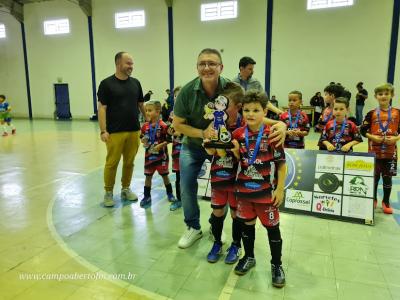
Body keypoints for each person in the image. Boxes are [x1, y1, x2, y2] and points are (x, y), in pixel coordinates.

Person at [173, 48, 287, 249]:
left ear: (221, 67)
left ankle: (218, 226)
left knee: (227, 184)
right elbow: (178, 125)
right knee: (186, 184)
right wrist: (203, 134)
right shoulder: (186, 92)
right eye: (202, 64)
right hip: (193, 144)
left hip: (226, 144)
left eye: (212, 63)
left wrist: (279, 124)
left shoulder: (232, 88)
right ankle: (193, 227)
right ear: (197, 67)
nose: (207, 67)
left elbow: (251, 113)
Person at [231, 90, 286, 288]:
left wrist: (280, 190)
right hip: (244, 193)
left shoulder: (273, 134)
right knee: (247, 226)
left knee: (273, 230)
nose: (250, 114)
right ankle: (249, 256)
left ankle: (277, 265)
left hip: (266, 195)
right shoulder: (237, 134)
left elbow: (281, 164)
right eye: (246, 110)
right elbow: (237, 160)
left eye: (256, 110)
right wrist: (235, 151)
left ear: (265, 112)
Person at [202, 82, 245, 264]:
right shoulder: (215, 123)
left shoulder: (246, 125)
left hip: (237, 179)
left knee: (236, 214)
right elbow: (211, 153)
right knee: (218, 212)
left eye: (227, 105)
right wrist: (208, 145)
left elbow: (249, 157)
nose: (224, 109)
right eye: (222, 105)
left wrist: (236, 151)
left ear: (238, 107)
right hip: (219, 175)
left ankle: (236, 244)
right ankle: (217, 243)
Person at [97, 51, 145, 207]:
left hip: (133, 130)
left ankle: (125, 188)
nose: (131, 66)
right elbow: (102, 108)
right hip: (114, 132)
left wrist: (149, 122)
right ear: (118, 64)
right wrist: (103, 130)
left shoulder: (136, 83)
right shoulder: (106, 84)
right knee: (112, 163)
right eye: (128, 63)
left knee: (129, 162)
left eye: (132, 63)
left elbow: (141, 105)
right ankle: (109, 192)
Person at [360, 83, 400, 214]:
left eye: (386, 94)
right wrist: (372, 137)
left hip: (391, 152)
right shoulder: (371, 113)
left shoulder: (397, 113)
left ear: (391, 95)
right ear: (376, 96)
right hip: (374, 152)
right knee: (374, 177)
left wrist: (396, 139)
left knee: (388, 178)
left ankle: (386, 201)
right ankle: (373, 200)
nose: (383, 96)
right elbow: (363, 130)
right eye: (380, 94)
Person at [140, 100, 178, 209]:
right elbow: (141, 136)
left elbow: (168, 140)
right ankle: (147, 196)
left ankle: (170, 194)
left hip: (161, 157)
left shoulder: (163, 126)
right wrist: (144, 140)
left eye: (150, 110)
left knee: (165, 176)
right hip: (149, 157)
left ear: (158, 111)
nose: (147, 113)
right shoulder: (145, 126)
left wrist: (160, 146)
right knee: (148, 177)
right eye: (146, 110)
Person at [167, 86, 183, 211]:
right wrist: (170, 131)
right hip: (177, 151)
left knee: (190, 177)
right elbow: (168, 130)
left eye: (180, 95)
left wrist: (181, 132)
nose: (177, 98)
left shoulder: (189, 113)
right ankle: (179, 200)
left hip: (189, 150)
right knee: (178, 177)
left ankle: (190, 199)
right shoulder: (172, 114)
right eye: (175, 96)